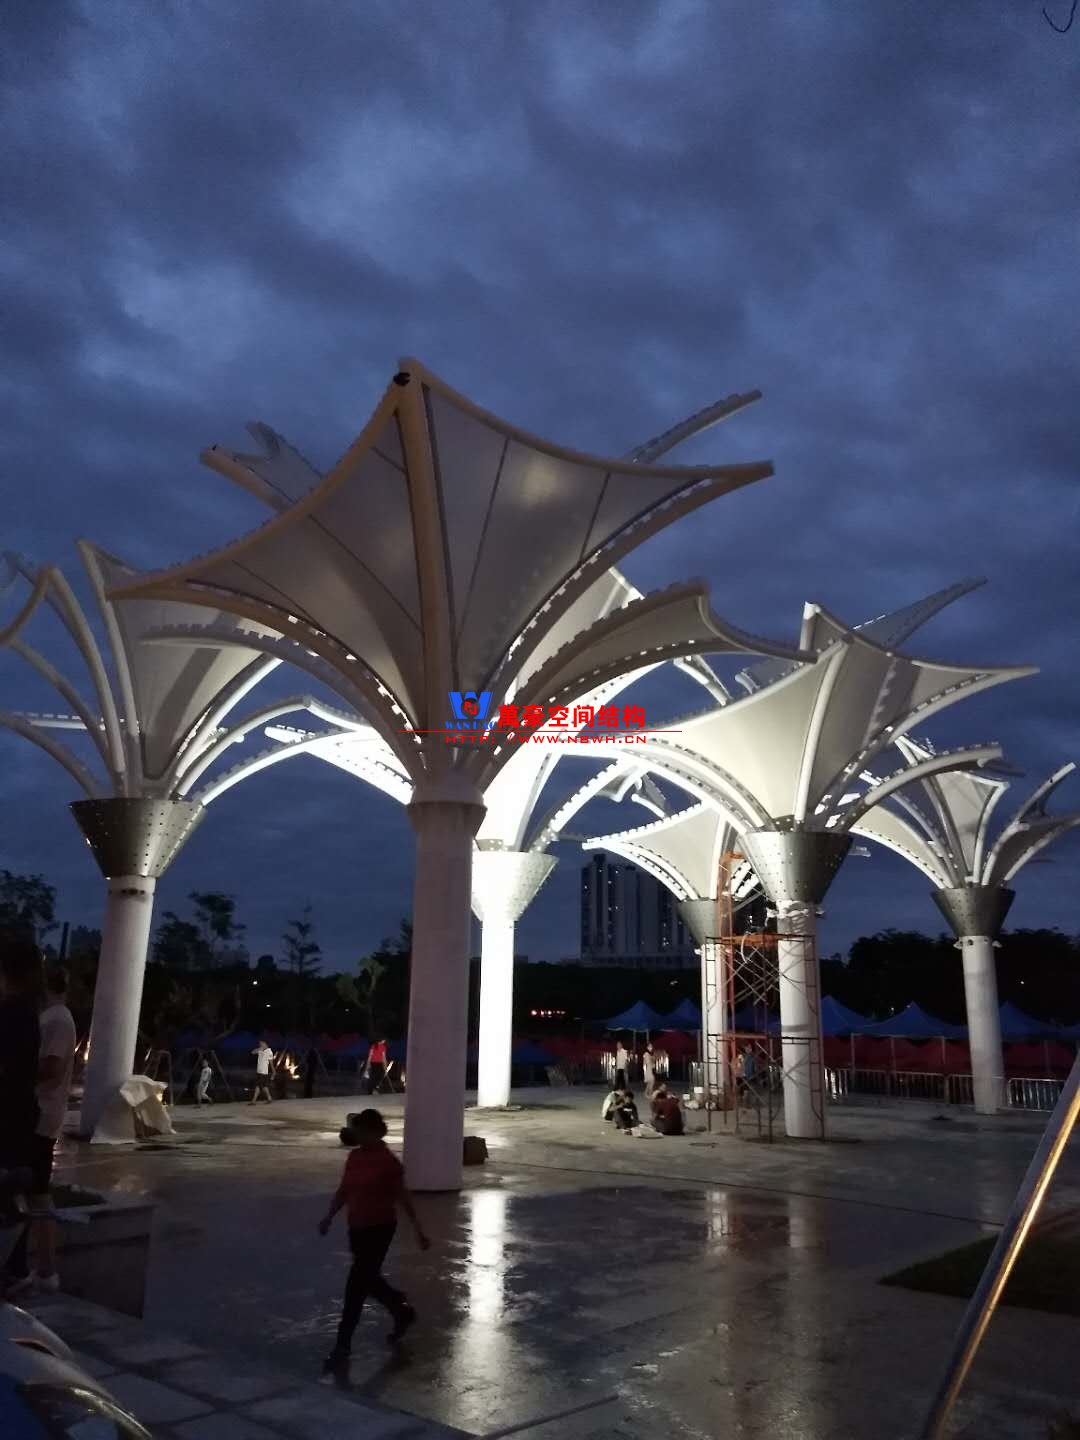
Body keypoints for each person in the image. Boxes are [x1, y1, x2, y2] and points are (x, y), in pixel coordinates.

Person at [318, 1109, 430, 1369]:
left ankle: (342, 1347)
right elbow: (345, 1189)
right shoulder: (354, 1157)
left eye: (362, 1131)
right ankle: (401, 1309)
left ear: (376, 1132)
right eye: (357, 1131)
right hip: (356, 1228)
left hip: (380, 1228)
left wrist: (418, 1230)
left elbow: (403, 1197)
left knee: (355, 1287)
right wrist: (329, 1216)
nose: (358, 1136)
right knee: (368, 1279)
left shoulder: (388, 1163)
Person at [22, 967, 76, 1294]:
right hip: (41, 1115)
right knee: (34, 1191)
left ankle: (46, 1269)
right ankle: (44, 1268)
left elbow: (51, 1067)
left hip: (40, 1116)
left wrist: (15, 1072)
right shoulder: (54, 1017)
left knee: (37, 1191)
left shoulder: (57, 1019)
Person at [0, 940, 43, 1297]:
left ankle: (13, 1270)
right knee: (12, 1193)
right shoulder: (28, 1014)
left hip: (7, 1117)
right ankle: (15, 1268)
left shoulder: (10, 1014)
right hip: (20, 1115)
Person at [250, 1039, 275, 1103]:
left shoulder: (269, 1052)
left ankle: (254, 1100)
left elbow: (271, 1063)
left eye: (261, 1043)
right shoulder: (260, 1050)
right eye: (259, 1043)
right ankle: (269, 1098)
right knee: (262, 1086)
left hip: (264, 1072)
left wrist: (273, 1071)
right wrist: (259, 1049)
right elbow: (252, 1052)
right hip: (259, 1071)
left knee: (259, 1086)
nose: (260, 1044)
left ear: (265, 1043)